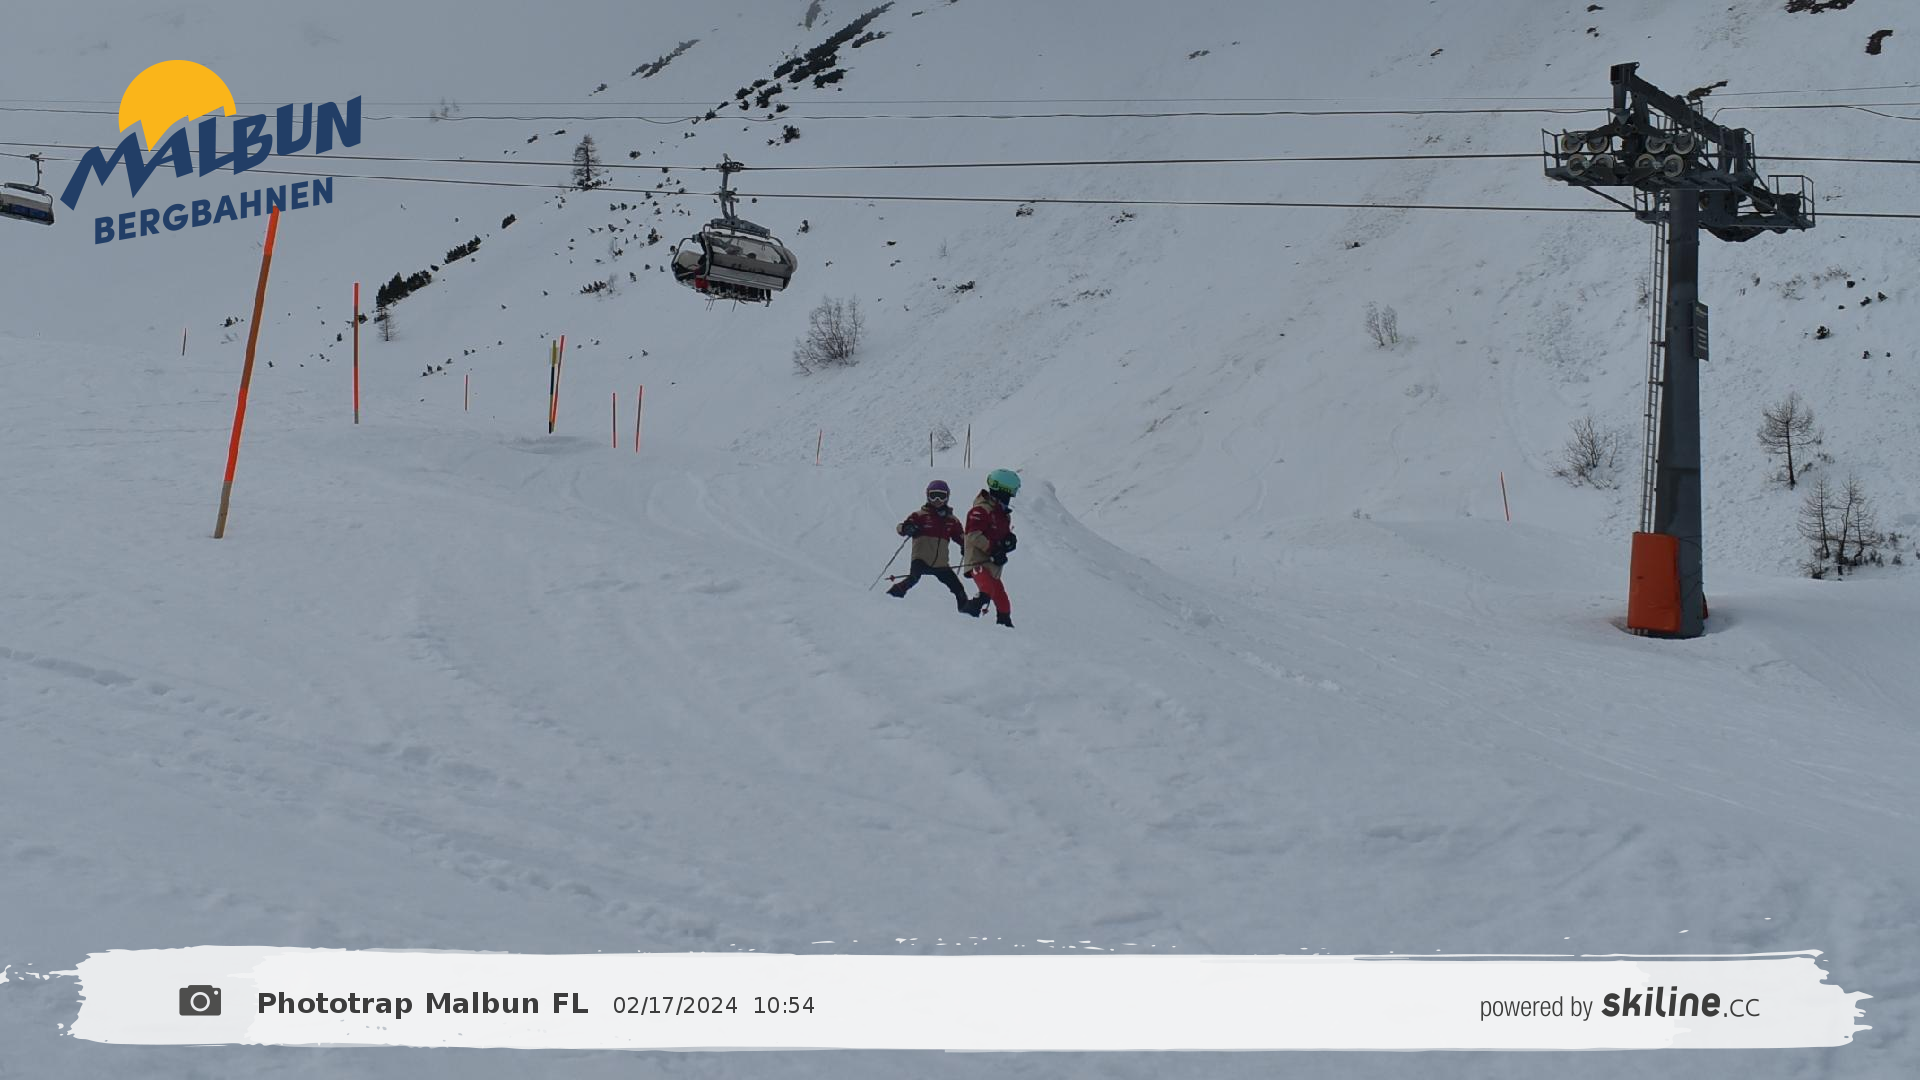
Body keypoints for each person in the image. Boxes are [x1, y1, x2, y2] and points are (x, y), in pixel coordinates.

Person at [886, 480, 971, 611]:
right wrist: (907, 528)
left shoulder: (951, 521)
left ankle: (965, 611)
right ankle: (890, 597)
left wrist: (965, 546)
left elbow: (961, 537)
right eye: (933, 496)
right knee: (913, 578)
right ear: (927, 496)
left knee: (958, 588)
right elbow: (900, 527)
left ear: (947, 497)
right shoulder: (920, 516)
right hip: (921, 559)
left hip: (941, 564)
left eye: (941, 496)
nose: (937, 500)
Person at [963, 469, 1020, 627]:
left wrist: (1008, 542)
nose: (1010, 498)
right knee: (986, 590)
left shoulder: (1003, 514)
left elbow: (1001, 537)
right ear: (1002, 491)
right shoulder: (981, 510)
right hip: (978, 562)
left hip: (993, 565)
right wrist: (994, 549)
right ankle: (965, 618)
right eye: (1009, 494)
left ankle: (1005, 626)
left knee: (1003, 601)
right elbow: (973, 535)